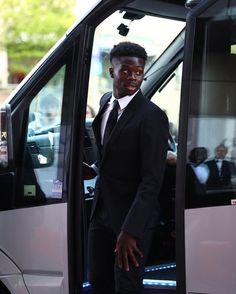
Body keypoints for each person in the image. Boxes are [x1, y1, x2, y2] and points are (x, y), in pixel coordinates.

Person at [83, 42, 169, 294]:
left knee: (126, 287)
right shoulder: (106, 101)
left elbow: (151, 180)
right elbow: (111, 150)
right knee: (99, 282)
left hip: (133, 219)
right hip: (101, 213)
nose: (133, 77)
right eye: (126, 70)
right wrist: (95, 169)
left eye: (139, 71)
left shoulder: (152, 116)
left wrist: (130, 231)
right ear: (112, 71)